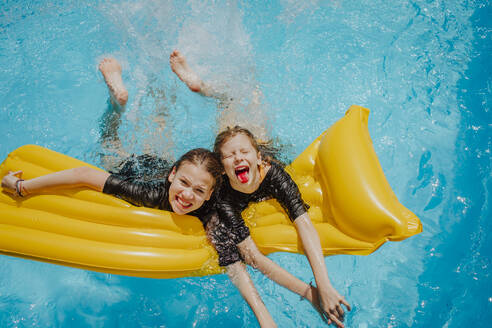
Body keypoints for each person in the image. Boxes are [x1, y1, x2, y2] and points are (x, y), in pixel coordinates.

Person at [171, 51, 351, 327]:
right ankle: (207, 90)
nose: (238, 158)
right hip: (238, 166)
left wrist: (323, 284)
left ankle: (221, 86)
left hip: (265, 149)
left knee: (252, 121)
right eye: (230, 157)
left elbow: (303, 223)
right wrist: (310, 293)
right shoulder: (223, 197)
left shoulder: (273, 171)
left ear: (259, 160)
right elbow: (253, 258)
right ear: (222, 168)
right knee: (231, 128)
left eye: (245, 153)